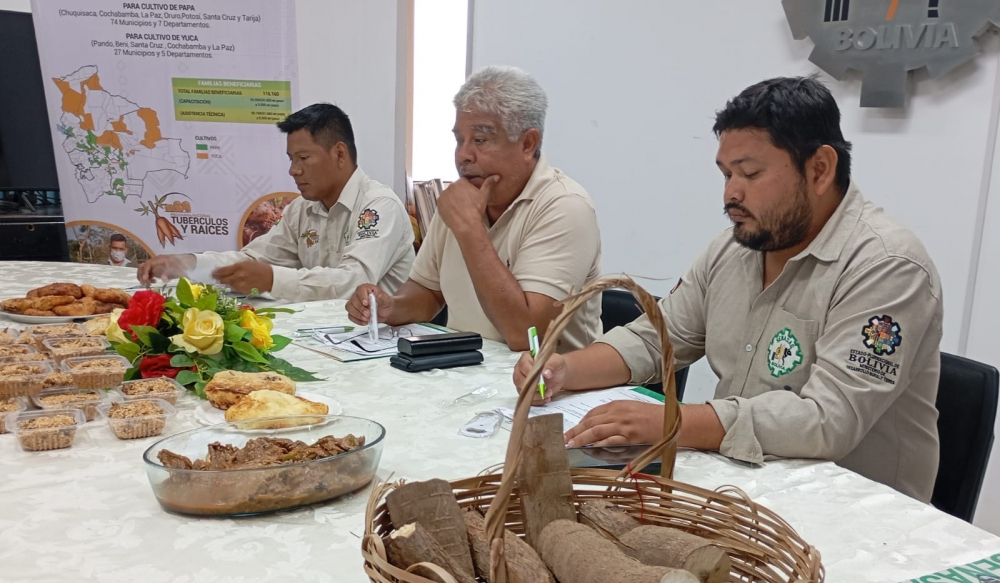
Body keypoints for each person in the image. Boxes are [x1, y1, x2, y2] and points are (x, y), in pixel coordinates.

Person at [515, 76, 943, 502]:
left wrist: (672, 422)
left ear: (819, 169)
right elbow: (656, 336)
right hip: (745, 488)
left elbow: (826, 420)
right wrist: (564, 370)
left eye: (750, 174)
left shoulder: (887, 266)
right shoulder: (736, 247)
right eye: (726, 174)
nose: (731, 193)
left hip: (859, 519)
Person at [346, 66, 602, 352]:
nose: (463, 155)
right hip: (465, 372)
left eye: (480, 140)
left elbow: (525, 335)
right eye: (459, 140)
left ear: (528, 144)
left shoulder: (565, 207)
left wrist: (469, 228)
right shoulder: (466, 195)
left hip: (548, 388)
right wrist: (389, 307)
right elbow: (428, 292)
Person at [136, 104, 414, 301]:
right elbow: (253, 259)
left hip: (380, 345)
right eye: (291, 159)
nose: (293, 170)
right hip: (323, 336)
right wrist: (185, 264)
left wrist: (272, 280)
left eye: (303, 158)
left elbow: (353, 282)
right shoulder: (302, 209)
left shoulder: (378, 206)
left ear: (339, 154)